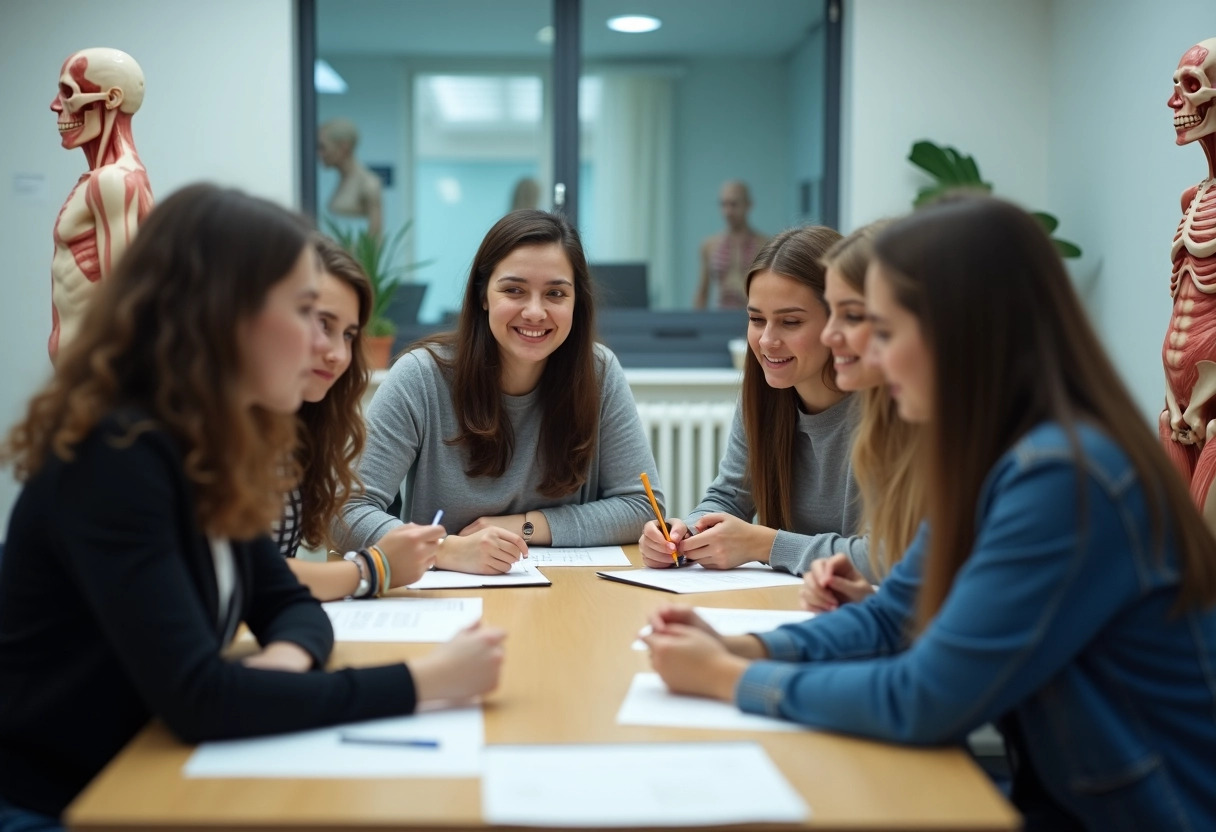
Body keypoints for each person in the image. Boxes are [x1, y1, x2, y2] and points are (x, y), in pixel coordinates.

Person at [642, 196, 1216, 831]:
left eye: (881, 330)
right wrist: (738, 646)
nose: (856, 350)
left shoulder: (1060, 477)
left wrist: (725, 677)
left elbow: (923, 699)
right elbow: (893, 615)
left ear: (958, 332)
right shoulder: (999, 454)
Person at [0, 184, 505, 827]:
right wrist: (425, 681)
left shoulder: (206, 449)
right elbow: (201, 701)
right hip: (67, 801)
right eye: (304, 313)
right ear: (223, 314)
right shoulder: (117, 458)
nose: (327, 349)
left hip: (153, 773)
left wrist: (278, 667)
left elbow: (290, 606)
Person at [337, 209, 663, 574]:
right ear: (483, 296)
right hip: (445, 601)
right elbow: (346, 512)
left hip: (565, 598)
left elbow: (642, 507)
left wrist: (523, 525)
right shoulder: (420, 376)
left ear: (576, 303)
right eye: (514, 290)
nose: (535, 312)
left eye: (555, 293)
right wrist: (444, 550)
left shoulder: (598, 372)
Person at [640, 226, 870, 578]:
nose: (766, 340)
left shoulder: (884, 410)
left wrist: (764, 544)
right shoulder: (763, 394)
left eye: (790, 322)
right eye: (756, 319)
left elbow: (887, 556)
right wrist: (685, 535)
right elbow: (730, 497)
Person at [276, 234, 442, 600]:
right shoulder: (195, 434)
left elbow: (273, 598)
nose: (338, 354)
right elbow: (249, 576)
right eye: (323, 324)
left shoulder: (297, 430)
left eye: (349, 334)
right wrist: (376, 568)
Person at [799, 220, 924, 612]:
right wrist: (744, 651)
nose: (829, 336)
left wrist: (734, 669)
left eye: (853, 316)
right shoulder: (897, 425)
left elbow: (952, 658)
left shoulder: (1029, 465)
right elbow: (913, 614)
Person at [48, 47, 154, 362]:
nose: (56, 106)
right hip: (84, 376)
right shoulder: (111, 179)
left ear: (111, 99)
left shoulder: (112, 182)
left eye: (68, 93)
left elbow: (122, 299)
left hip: (94, 376)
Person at [693, 180, 769, 309]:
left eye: (734, 204)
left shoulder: (765, 245)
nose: (728, 211)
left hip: (753, 318)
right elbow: (703, 292)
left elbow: (772, 291)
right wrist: (697, 325)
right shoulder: (709, 245)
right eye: (724, 204)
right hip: (721, 319)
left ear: (748, 205)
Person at [318, 117, 383, 239]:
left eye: (323, 147)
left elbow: (375, 242)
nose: (320, 154)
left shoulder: (368, 184)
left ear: (344, 147)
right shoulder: (342, 180)